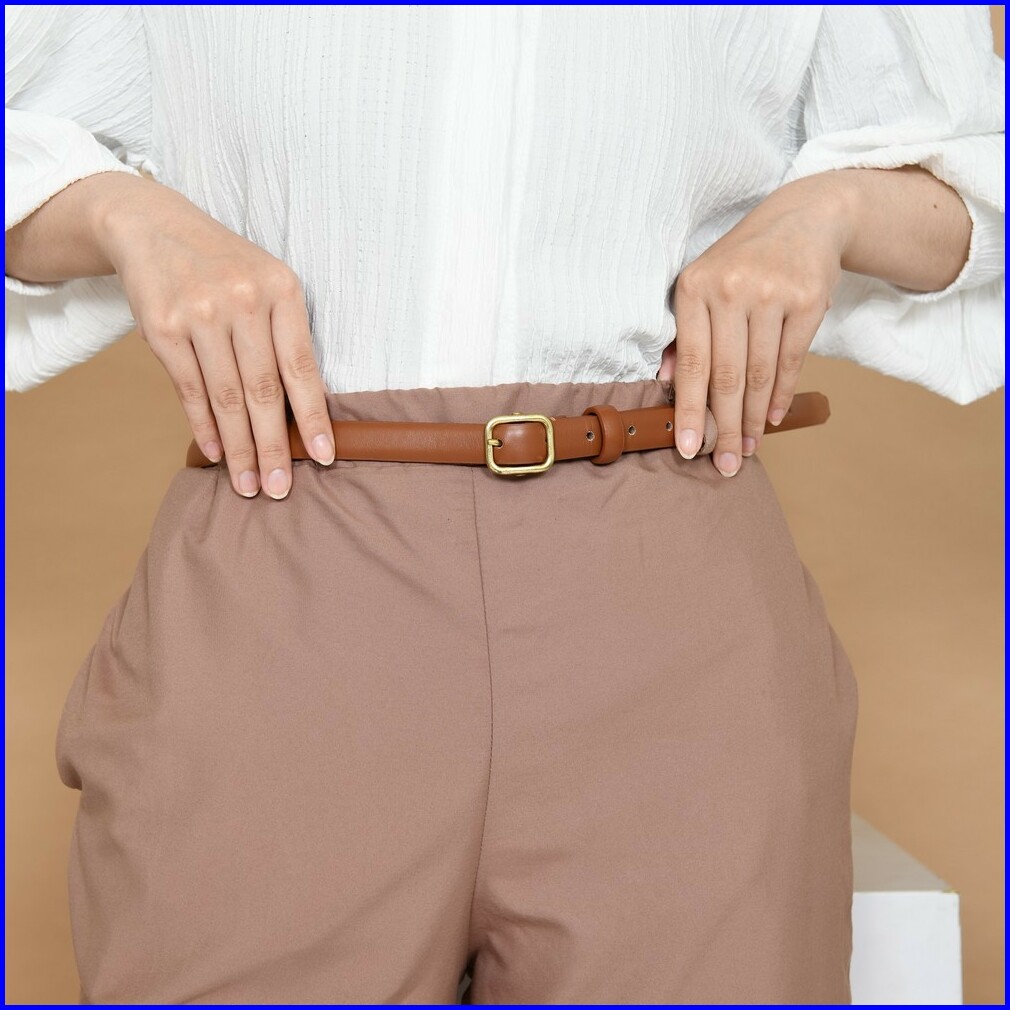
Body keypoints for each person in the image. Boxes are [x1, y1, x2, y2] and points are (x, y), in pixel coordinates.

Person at [5, 6, 1004, 1005]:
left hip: (672, 592)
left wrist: (826, 209)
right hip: (283, 561)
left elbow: (973, 177)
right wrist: (122, 214)